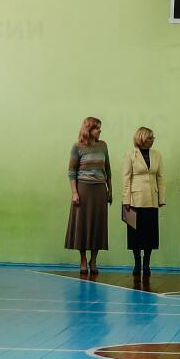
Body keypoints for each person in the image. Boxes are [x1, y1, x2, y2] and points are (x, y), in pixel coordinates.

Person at [65, 115, 110, 276]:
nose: (99, 131)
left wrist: (109, 190)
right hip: (83, 189)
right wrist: (74, 192)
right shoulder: (77, 147)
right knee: (82, 226)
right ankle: (83, 260)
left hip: (99, 190)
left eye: (99, 128)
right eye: (96, 128)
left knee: (97, 226)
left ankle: (94, 260)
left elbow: (108, 169)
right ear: (88, 130)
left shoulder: (103, 146)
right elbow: (71, 171)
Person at [120, 126, 164, 279]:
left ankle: (147, 262)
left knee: (150, 233)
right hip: (133, 200)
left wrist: (161, 198)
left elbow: (160, 177)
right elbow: (126, 178)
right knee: (135, 234)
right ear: (142, 138)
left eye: (153, 138)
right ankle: (137, 262)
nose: (153, 140)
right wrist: (125, 199)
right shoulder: (130, 155)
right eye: (150, 137)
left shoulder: (157, 155)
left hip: (151, 198)